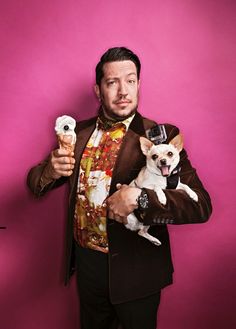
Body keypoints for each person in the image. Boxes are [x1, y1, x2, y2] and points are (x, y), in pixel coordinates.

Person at [27, 47, 212, 329]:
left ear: (139, 84)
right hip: (88, 267)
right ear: (98, 90)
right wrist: (50, 171)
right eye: (112, 82)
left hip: (137, 270)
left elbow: (200, 206)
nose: (123, 91)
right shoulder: (78, 133)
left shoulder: (160, 139)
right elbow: (34, 184)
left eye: (131, 80)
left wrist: (141, 198)